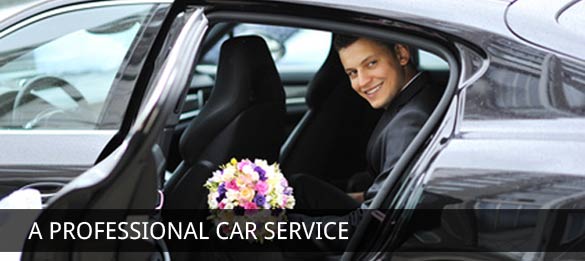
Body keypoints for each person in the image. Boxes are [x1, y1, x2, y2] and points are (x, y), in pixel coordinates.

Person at [291, 35, 443, 209]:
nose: (362, 82)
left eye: (371, 63)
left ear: (401, 54)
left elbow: (377, 218)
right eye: (353, 73)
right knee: (301, 188)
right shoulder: (419, 96)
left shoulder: (409, 122)